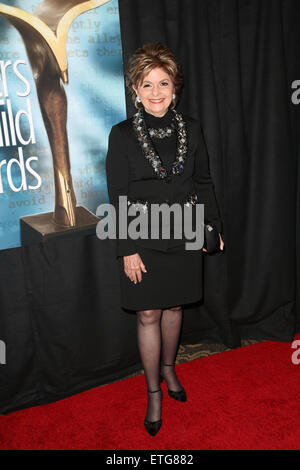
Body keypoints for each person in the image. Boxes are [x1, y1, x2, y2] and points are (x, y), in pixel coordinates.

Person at [105, 42, 225, 437]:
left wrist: (212, 228)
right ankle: (153, 390)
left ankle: (171, 370)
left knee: (174, 306)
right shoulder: (121, 135)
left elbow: (203, 182)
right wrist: (126, 248)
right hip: (141, 233)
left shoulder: (191, 129)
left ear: (175, 87)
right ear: (134, 90)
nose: (156, 92)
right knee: (148, 313)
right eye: (147, 84)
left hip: (185, 228)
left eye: (164, 83)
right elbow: (117, 196)